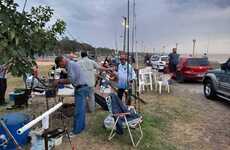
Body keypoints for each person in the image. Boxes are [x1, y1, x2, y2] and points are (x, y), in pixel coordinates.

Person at [54, 56, 89, 135]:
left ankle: (76, 131)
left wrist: (59, 81)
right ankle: (81, 127)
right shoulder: (71, 64)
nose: (61, 67)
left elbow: (71, 79)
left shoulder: (70, 65)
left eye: (60, 65)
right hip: (82, 87)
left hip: (81, 89)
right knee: (81, 110)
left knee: (78, 111)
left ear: (61, 61)